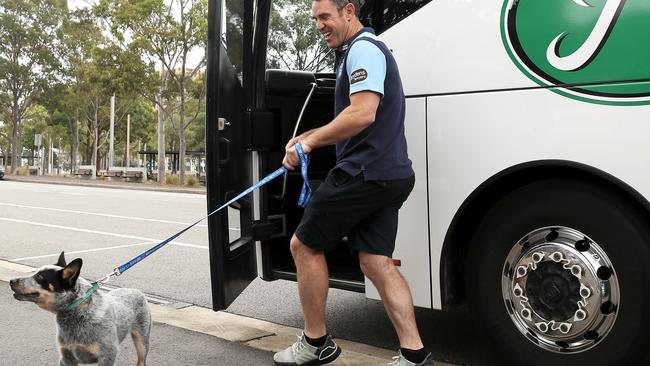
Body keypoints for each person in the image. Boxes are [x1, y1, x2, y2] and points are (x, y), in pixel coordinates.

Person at [274, 1, 434, 365]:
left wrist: (310, 141)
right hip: (390, 175)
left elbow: (363, 112)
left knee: (303, 246)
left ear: (348, 11)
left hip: (365, 172)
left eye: (325, 16)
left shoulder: (362, 49)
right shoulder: (361, 49)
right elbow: (353, 114)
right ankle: (415, 354)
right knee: (376, 262)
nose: (319, 25)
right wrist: (306, 137)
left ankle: (316, 343)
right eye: (315, 18)